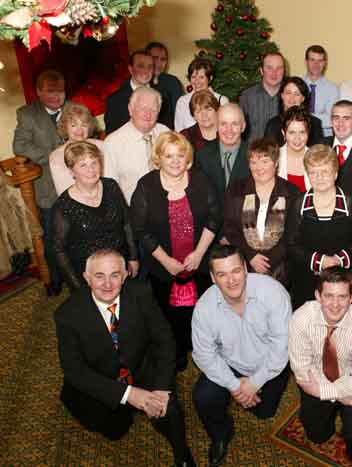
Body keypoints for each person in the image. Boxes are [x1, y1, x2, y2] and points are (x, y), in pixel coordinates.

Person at [54, 249, 195, 466]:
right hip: (102, 379)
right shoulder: (67, 314)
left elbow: (164, 339)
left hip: (140, 367)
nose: (107, 284)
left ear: (126, 275)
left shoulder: (141, 293)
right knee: (115, 431)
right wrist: (127, 395)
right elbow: (75, 371)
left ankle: (182, 456)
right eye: (99, 276)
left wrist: (162, 387)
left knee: (169, 408)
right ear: (86, 278)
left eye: (115, 275)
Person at [192, 244, 291, 467]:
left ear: (246, 269)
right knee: (203, 398)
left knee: (264, 413)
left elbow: (281, 348)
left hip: (269, 365)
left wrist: (255, 382)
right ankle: (220, 435)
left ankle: (257, 396)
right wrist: (235, 386)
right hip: (230, 364)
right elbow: (204, 356)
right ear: (212, 278)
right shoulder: (204, 308)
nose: (231, 280)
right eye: (222, 274)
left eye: (236, 271)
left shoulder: (273, 293)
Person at [131, 131, 220, 371]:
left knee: (201, 311)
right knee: (168, 315)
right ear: (158, 157)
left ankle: (202, 350)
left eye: (180, 155)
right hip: (163, 267)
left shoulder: (201, 180)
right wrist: (165, 261)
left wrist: (200, 253)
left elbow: (214, 218)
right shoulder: (146, 186)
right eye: (168, 155)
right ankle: (177, 352)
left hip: (198, 264)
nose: (175, 161)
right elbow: (140, 228)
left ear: (188, 158)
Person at [288, 267, 352, 467]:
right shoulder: (301, 319)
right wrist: (339, 396)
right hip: (319, 382)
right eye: (329, 296)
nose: (335, 304)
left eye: (342, 296)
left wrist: (328, 391)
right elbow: (303, 372)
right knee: (317, 435)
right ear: (318, 296)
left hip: (351, 385)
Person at [286, 144, 352, 309]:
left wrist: (338, 261)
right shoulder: (299, 204)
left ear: (335, 173)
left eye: (324, 172)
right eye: (313, 173)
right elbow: (291, 244)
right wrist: (320, 261)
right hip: (307, 282)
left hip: (343, 282)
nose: (319, 177)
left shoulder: (350, 203)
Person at [53, 141, 138, 291]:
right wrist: (78, 288)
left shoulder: (111, 186)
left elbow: (126, 223)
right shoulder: (63, 206)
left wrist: (133, 257)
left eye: (94, 163)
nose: (91, 170)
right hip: (89, 275)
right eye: (83, 165)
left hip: (120, 265)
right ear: (72, 171)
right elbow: (59, 250)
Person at [13, 69, 69, 295]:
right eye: (50, 92)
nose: (57, 97)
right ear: (38, 92)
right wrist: (54, 156)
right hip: (47, 190)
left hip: (75, 185)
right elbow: (20, 146)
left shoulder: (74, 109)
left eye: (61, 92)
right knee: (52, 240)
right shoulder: (27, 114)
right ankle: (55, 280)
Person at [222, 138, 299, 286]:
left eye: (265, 161)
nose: (259, 168)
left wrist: (268, 262)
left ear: (276, 163)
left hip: (281, 268)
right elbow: (230, 228)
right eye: (253, 162)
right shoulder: (236, 189)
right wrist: (250, 256)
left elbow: (293, 234)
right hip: (243, 265)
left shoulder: (291, 192)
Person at [103, 87, 170, 204]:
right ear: (130, 109)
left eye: (153, 110)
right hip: (133, 211)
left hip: (169, 203)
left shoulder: (165, 133)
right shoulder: (112, 143)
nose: (148, 114)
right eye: (143, 108)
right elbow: (110, 190)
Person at [104, 50, 170, 134]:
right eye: (141, 66)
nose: (146, 71)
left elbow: (167, 129)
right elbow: (112, 134)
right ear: (131, 69)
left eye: (150, 67)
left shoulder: (163, 95)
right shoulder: (114, 100)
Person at [195, 103, 250, 202]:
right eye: (223, 124)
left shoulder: (254, 155)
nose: (229, 130)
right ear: (216, 126)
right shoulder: (202, 157)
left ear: (243, 127)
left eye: (234, 124)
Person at [49, 102, 103, 196]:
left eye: (84, 125)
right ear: (65, 127)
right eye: (74, 125)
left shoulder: (102, 146)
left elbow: (110, 179)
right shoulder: (57, 156)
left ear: (89, 127)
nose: (79, 130)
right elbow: (64, 191)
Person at [264, 76, 323, 146]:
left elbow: (318, 154)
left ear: (303, 98)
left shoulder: (315, 124)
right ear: (282, 95)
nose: (292, 98)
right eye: (288, 93)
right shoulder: (272, 124)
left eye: (297, 94)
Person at [174, 58, 229, 132]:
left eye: (201, 77)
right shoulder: (182, 102)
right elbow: (179, 131)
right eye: (193, 77)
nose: (197, 81)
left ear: (210, 78)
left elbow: (226, 129)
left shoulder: (222, 101)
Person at [239, 52, 285, 141]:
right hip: (253, 153)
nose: (274, 73)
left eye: (279, 68)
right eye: (269, 68)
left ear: (284, 71)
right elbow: (239, 130)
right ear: (261, 70)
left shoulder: (291, 97)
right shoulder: (247, 96)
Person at [303, 44, 339, 137]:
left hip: (324, 137)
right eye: (312, 60)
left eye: (320, 61)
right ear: (306, 62)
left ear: (325, 63)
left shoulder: (332, 89)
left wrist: (305, 116)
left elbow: (331, 120)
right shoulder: (297, 85)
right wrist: (321, 115)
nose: (316, 64)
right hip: (299, 135)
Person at [147, 41, 184, 130]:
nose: (159, 63)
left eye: (163, 59)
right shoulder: (138, 81)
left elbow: (179, 113)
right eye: (155, 58)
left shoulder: (173, 82)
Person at [277, 106, 312, 192]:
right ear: (283, 133)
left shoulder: (318, 159)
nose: (297, 138)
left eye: (302, 132)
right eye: (292, 132)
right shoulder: (274, 158)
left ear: (308, 133)